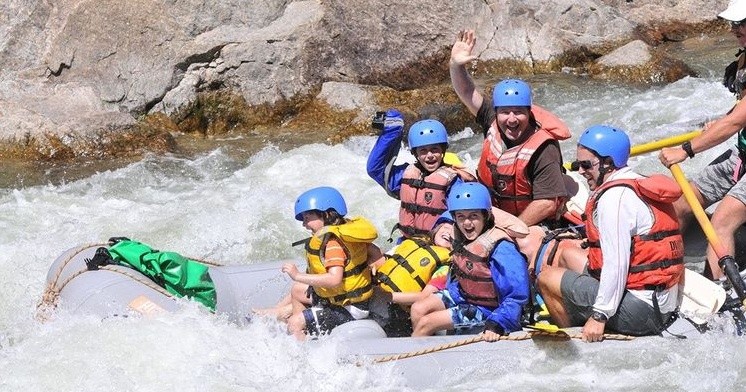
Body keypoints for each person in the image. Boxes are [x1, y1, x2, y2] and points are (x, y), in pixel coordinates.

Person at [539, 125, 685, 341]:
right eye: (578, 164)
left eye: (586, 164)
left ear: (608, 163)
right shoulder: (637, 181)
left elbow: (616, 263)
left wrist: (600, 315)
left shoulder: (613, 199)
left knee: (546, 278)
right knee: (567, 254)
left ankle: (578, 338)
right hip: (661, 301)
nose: (580, 171)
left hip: (642, 312)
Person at [658, 0, 746, 280]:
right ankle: (661, 274)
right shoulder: (744, 57)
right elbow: (736, 113)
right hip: (742, 154)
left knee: (722, 220)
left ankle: (720, 297)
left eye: (742, 23)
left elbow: (736, 122)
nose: (736, 29)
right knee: (684, 202)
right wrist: (720, 120)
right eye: (734, 24)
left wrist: (686, 150)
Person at [449, 29, 574, 228]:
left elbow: (547, 204)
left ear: (529, 111)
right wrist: (456, 65)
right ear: (497, 112)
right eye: (506, 112)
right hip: (491, 213)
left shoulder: (544, 149)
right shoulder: (492, 120)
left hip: (532, 225)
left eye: (519, 112)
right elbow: (466, 91)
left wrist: (508, 231)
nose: (512, 119)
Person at [409, 182, 530, 340]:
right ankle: (426, 349)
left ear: (485, 216)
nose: (467, 223)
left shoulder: (502, 248)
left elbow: (517, 296)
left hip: (491, 309)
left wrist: (497, 322)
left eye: (473, 216)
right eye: (461, 217)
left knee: (427, 322)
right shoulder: (460, 235)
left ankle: (415, 358)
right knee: (418, 309)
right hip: (462, 295)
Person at [282, 186, 381, 340]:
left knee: (294, 323)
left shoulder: (333, 244)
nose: (304, 224)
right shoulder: (345, 233)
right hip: (339, 300)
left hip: (349, 308)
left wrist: (297, 275)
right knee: (297, 290)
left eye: (308, 217)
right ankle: (310, 331)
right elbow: (375, 252)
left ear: (327, 214)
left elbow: (334, 280)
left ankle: (305, 354)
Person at [367, 111, 476, 240]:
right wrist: (392, 131)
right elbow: (375, 169)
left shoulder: (453, 181)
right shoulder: (405, 175)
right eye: (423, 151)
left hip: (439, 244)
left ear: (443, 150)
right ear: (415, 154)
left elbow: (463, 213)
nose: (429, 155)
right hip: (408, 242)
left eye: (434, 149)